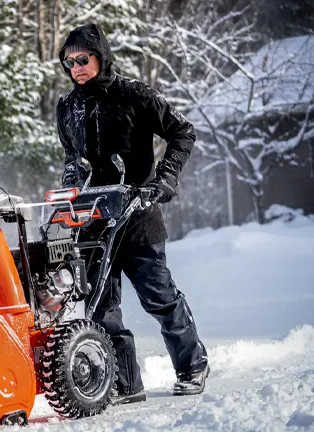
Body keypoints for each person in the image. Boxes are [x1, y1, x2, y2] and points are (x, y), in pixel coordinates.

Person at [55, 23, 210, 405]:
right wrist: (71, 180)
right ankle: (127, 383)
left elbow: (182, 133)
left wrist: (164, 179)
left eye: (83, 59)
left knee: (159, 297)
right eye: (69, 61)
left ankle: (193, 365)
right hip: (92, 222)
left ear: (101, 58)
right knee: (102, 308)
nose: (76, 67)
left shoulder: (134, 95)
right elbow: (71, 157)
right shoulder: (67, 107)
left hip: (138, 216)